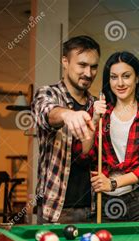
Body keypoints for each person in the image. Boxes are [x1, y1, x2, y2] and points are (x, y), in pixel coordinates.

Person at [83, 51, 139, 221]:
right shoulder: (100, 113)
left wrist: (113, 183)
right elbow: (85, 152)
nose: (120, 83)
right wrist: (93, 119)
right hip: (107, 201)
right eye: (114, 77)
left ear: (137, 78)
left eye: (126, 76)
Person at [31, 35, 100, 224]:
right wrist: (67, 115)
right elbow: (47, 113)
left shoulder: (96, 105)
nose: (88, 73)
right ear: (65, 62)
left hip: (94, 208)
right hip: (56, 209)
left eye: (93, 67)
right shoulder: (48, 93)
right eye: (82, 65)